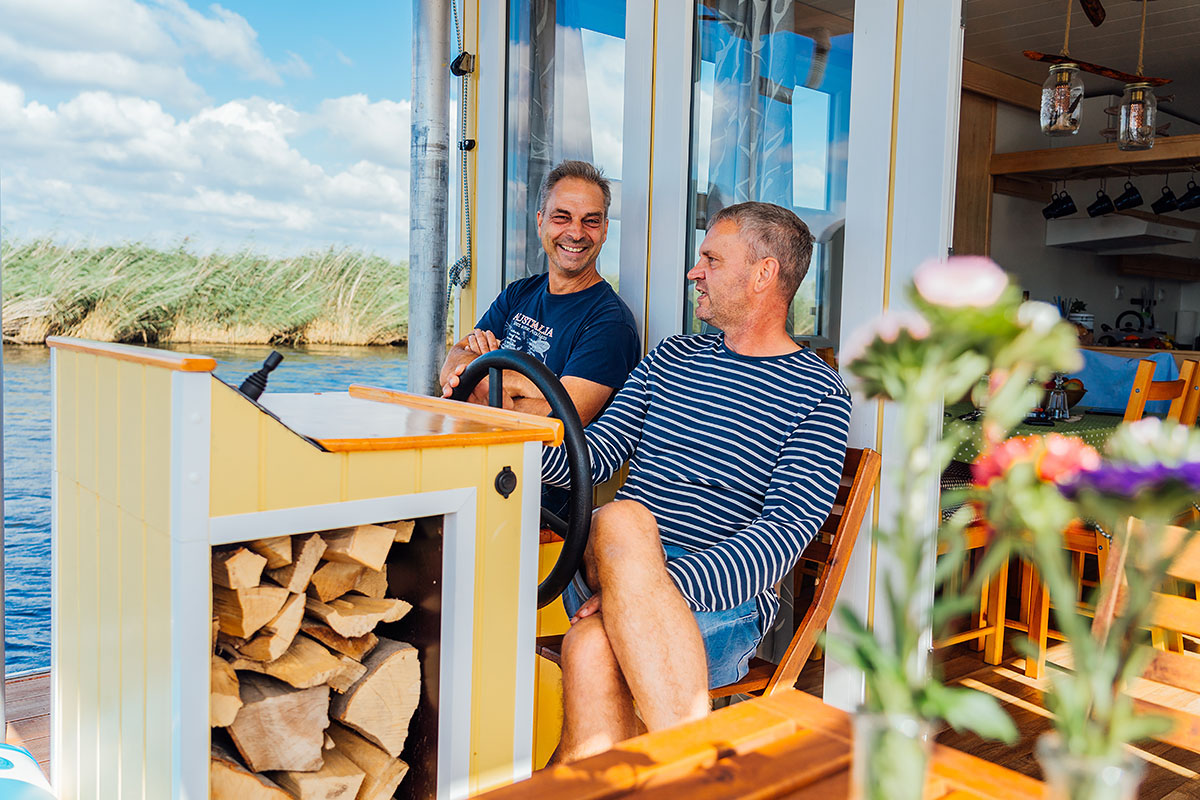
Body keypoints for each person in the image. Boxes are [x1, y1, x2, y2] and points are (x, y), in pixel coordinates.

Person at [541, 201, 852, 762]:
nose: (694, 270)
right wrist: (506, 458)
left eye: (711, 257)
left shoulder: (818, 394)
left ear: (763, 274)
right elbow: (598, 454)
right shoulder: (673, 356)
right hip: (610, 568)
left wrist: (650, 585)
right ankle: (697, 768)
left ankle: (662, 774)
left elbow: (780, 539)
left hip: (719, 605)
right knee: (621, 519)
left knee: (590, 648)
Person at [439, 160, 640, 427]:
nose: (576, 233)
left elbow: (566, 416)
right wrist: (535, 388)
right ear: (540, 222)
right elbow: (452, 364)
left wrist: (488, 383)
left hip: (545, 467)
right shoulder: (518, 293)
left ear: (604, 231)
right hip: (484, 453)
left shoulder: (611, 323)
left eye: (590, 221)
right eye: (562, 217)